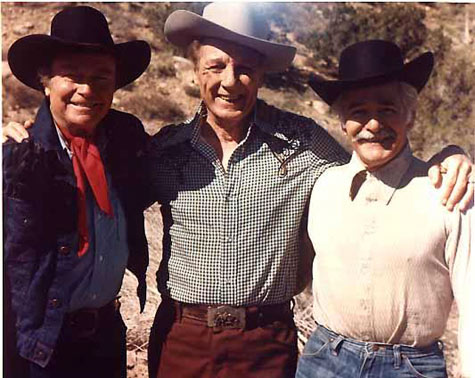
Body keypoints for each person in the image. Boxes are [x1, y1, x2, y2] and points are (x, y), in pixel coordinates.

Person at [4, 4, 473, 378]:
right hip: (181, 339)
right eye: (217, 65)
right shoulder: (162, 150)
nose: (231, 81)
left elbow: (374, 160)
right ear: (195, 69)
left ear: (264, 74)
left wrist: (447, 157)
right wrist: (25, 135)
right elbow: (93, 181)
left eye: (246, 67)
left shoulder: (306, 143)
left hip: (267, 343)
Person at [296, 40, 474, 378]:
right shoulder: (322, 187)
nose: (373, 124)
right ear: (342, 122)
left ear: (411, 115)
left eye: (388, 109)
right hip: (324, 360)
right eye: (359, 111)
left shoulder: (448, 192)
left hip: (410, 367)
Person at [3, 6, 151, 378]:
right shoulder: (16, 158)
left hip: (106, 339)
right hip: (41, 347)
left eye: (102, 78)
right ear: (45, 81)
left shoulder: (125, 142)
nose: (87, 90)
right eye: (72, 75)